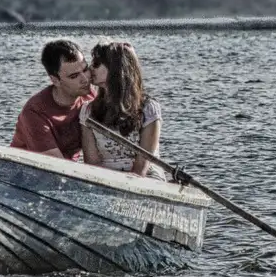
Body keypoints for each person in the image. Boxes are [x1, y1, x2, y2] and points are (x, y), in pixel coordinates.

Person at [79, 41, 167, 181]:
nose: (90, 69)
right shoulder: (88, 110)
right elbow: (92, 163)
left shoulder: (148, 108)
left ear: (115, 68)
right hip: (105, 178)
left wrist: (125, 184)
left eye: (96, 64)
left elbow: (141, 165)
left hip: (146, 178)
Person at [10, 40, 95, 160]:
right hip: (23, 172)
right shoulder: (35, 112)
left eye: (85, 69)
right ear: (55, 80)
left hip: (69, 170)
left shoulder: (90, 95)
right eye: (74, 76)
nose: (85, 79)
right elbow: (56, 166)